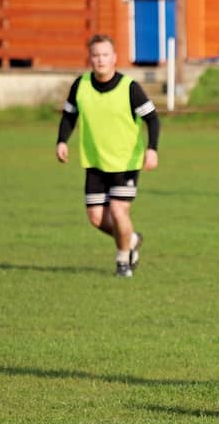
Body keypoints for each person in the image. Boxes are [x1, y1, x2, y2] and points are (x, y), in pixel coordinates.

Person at [56, 34, 159, 278]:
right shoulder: (80, 85)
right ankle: (130, 239)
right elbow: (69, 115)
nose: (100, 60)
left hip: (125, 162)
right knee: (95, 217)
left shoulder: (130, 88)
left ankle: (123, 260)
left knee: (118, 211)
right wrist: (62, 141)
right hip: (95, 162)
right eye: (96, 55)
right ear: (89, 58)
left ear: (114, 58)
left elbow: (152, 119)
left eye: (105, 55)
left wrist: (152, 149)